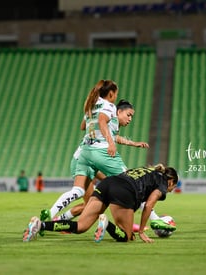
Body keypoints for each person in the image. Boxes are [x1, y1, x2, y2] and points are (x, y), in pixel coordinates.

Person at [39, 82, 149, 223]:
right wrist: (109, 142)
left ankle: (52, 216)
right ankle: (151, 219)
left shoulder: (92, 105)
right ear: (111, 94)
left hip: (83, 154)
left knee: (84, 198)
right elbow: (103, 122)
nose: (130, 119)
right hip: (98, 153)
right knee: (130, 182)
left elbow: (83, 126)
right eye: (129, 115)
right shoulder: (109, 107)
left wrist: (132, 143)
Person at [23, 164, 178, 243]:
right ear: (170, 181)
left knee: (80, 227)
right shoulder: (162, 181)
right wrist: (142, 231)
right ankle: (105, 224)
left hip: (107, 183)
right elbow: (150, 205)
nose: (170, 190)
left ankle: (40, 225)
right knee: (127, 237)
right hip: (125, 192)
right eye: (173, 187)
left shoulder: (147, 170)